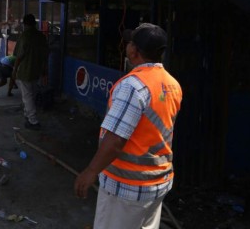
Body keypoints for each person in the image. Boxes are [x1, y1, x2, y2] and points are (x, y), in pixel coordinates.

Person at [74, 23, 182, 229]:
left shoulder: (132, 86)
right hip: (158, 181)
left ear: (134, 51)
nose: (128, 45)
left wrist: (90, 171)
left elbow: (115, 141)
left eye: (131, 42)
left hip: (128, 187)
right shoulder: (172, 84)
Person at [12, 13, 48, 130]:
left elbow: (19, 55)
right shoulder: (41, 36)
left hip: (25, 70)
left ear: (24, 23)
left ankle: (33, 120)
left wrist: (14, 69)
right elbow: (45, 55)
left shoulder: (25, 36)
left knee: (27, 97)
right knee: (32, 94)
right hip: (37, 70)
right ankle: (28, 116)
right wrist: (44, 70)